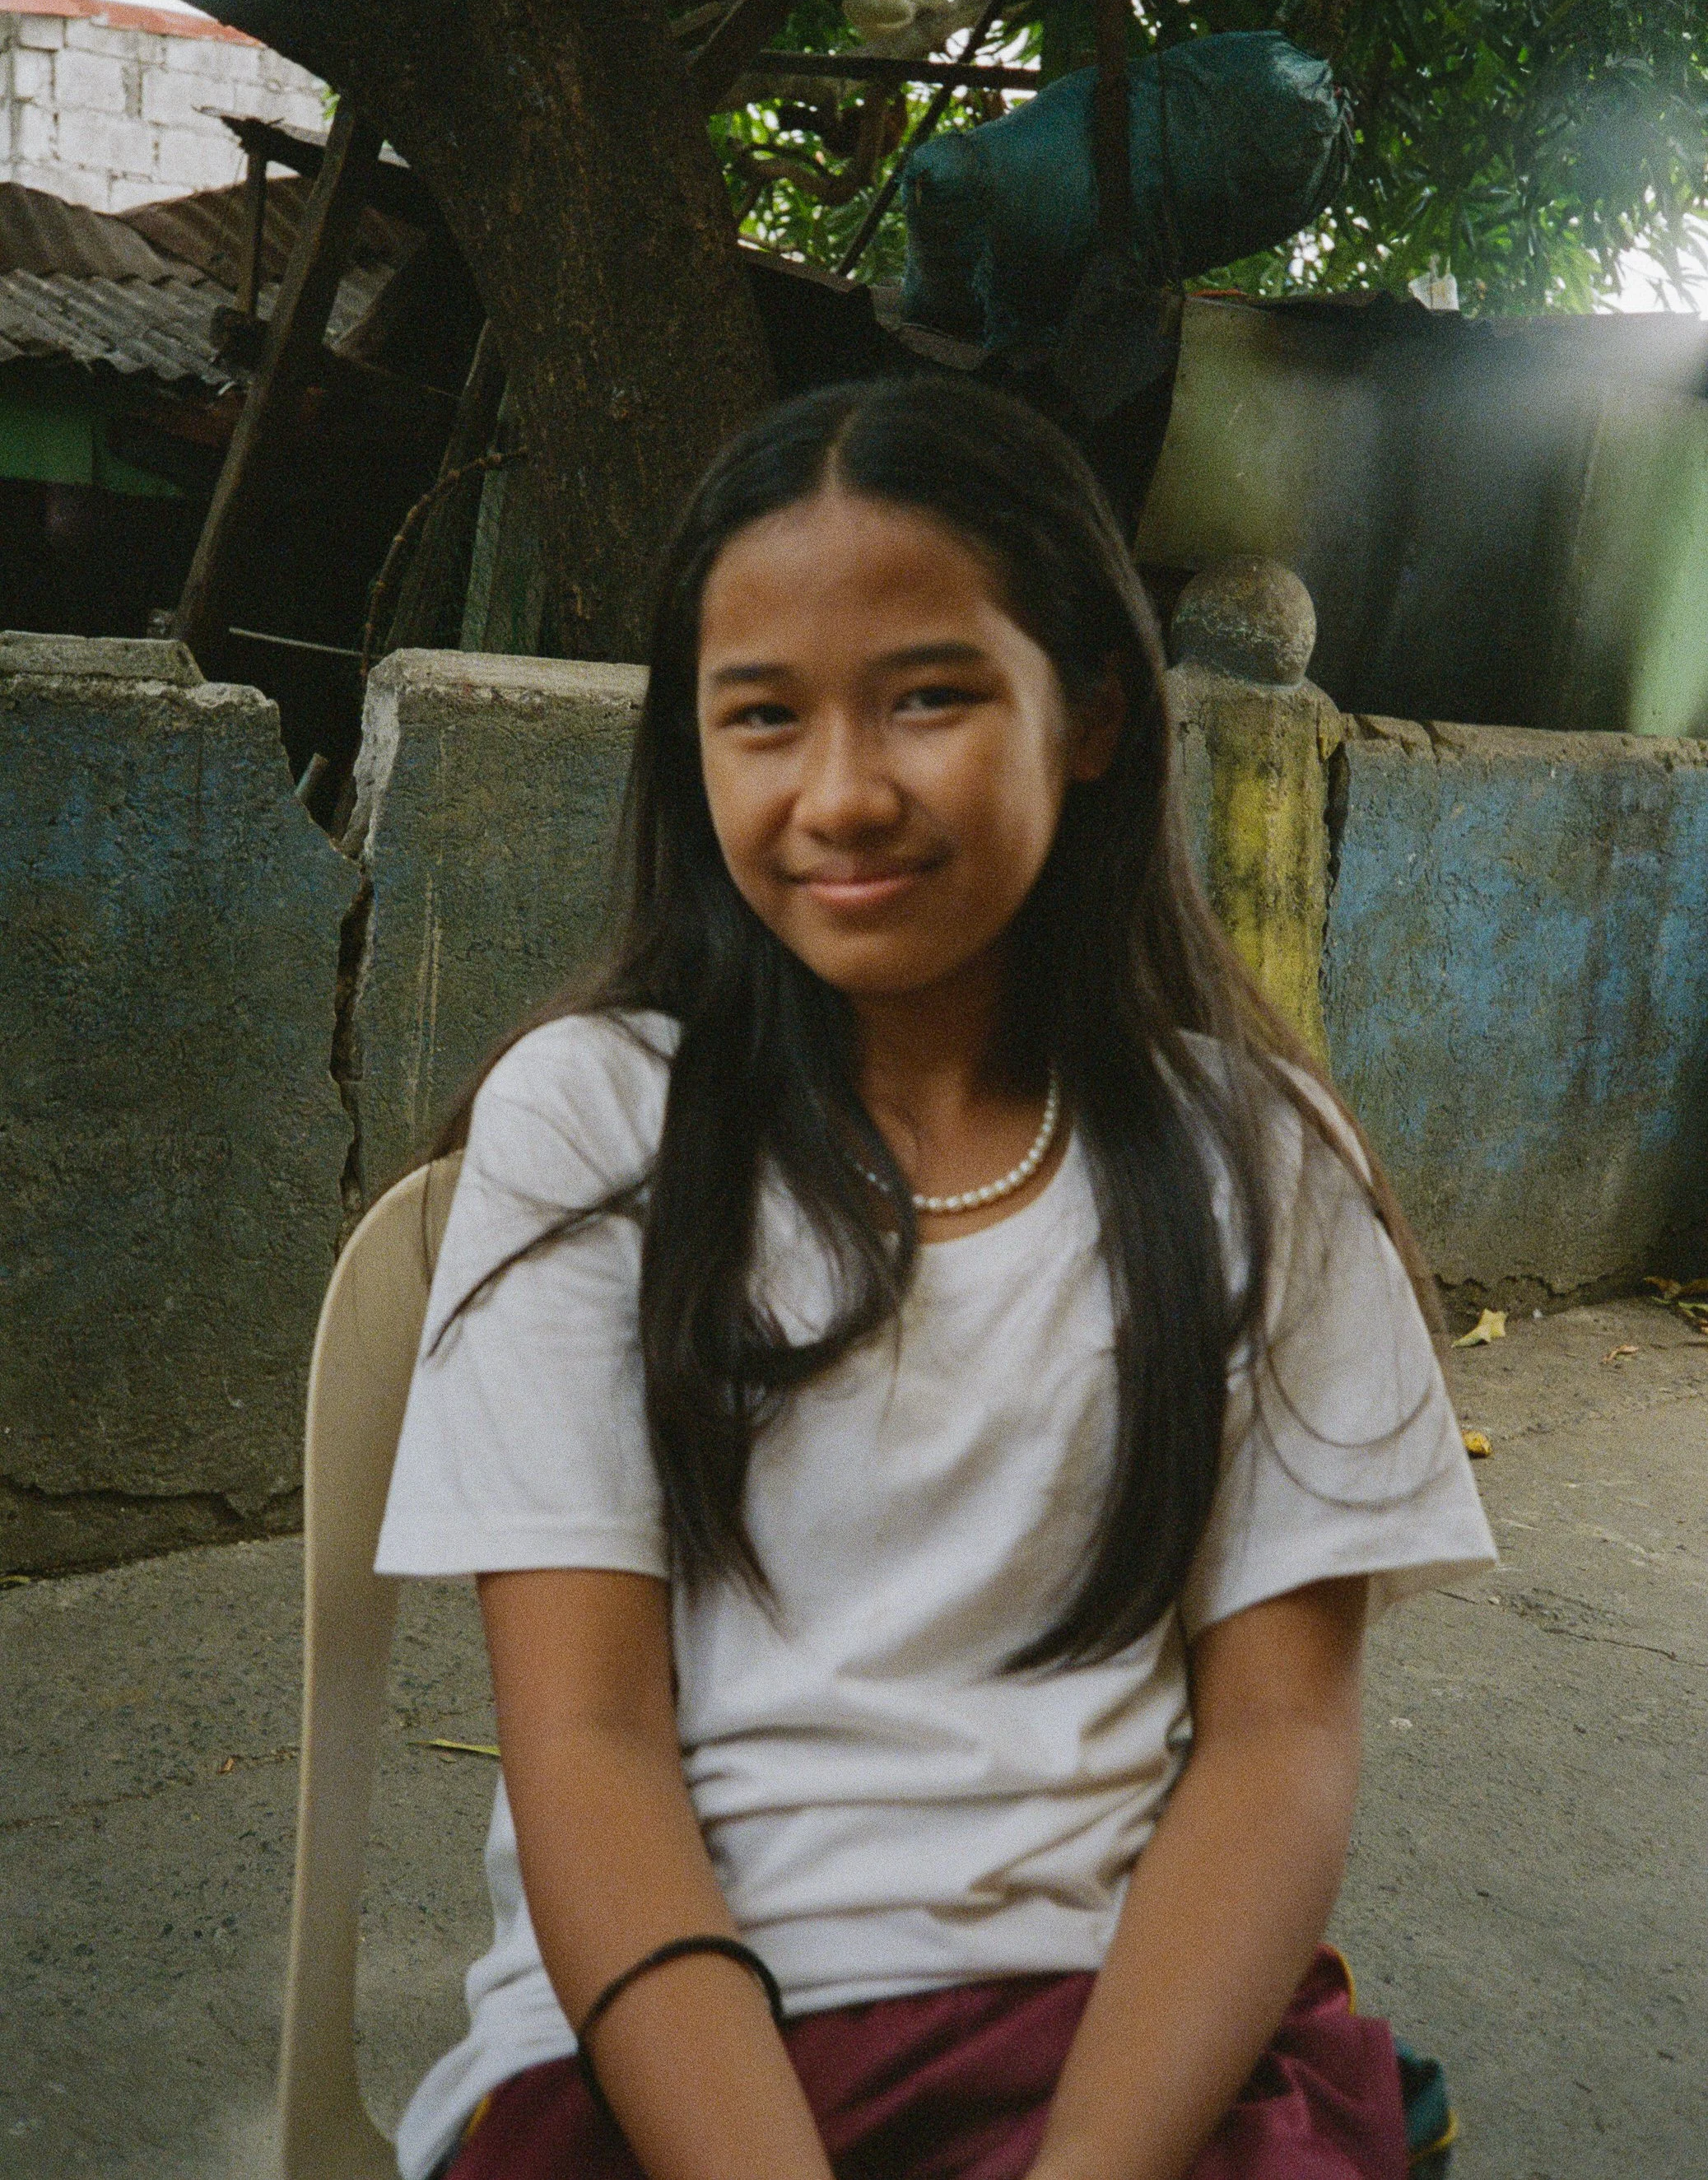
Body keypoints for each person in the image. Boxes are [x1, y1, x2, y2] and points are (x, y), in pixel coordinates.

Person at [375, 375, 1495, 2180]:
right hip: (675, 2045)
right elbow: (584, 1736)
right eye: (762, 716)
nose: (842, 793)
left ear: (1093, 716)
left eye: (930, 694)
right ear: (694, 752)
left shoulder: (1253, 1156)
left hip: (1122, 2030)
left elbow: (1279, 1736)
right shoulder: (592, 1125)